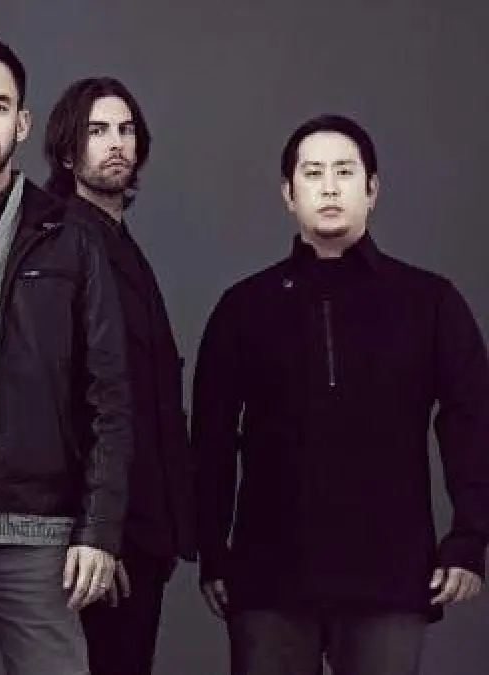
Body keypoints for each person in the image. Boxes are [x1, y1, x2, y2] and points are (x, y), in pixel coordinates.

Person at [192, 113, 489, 675]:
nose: (329, 187)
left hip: (390, 574)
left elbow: (472, 421)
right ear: (288, 193)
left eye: (344, 172)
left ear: (372, 189)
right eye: (313, 173)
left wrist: (470, 538)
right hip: (269, 577)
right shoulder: (244, 307)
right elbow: (211, 439)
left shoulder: (429, 302)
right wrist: (212, 549)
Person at [0, 30, 133, 675]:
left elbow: (109, 392)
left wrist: (99, 529)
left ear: (22, 122)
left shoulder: (72, 234)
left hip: (39, 525)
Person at [44, 76, 197, 675]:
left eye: (126, 130)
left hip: (143, 526)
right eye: (97, 130)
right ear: (66, 151)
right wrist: (98, 533)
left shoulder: (118, 240)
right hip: (103, 536)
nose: (116, 143)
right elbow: (62, 399)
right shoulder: (64, 239)